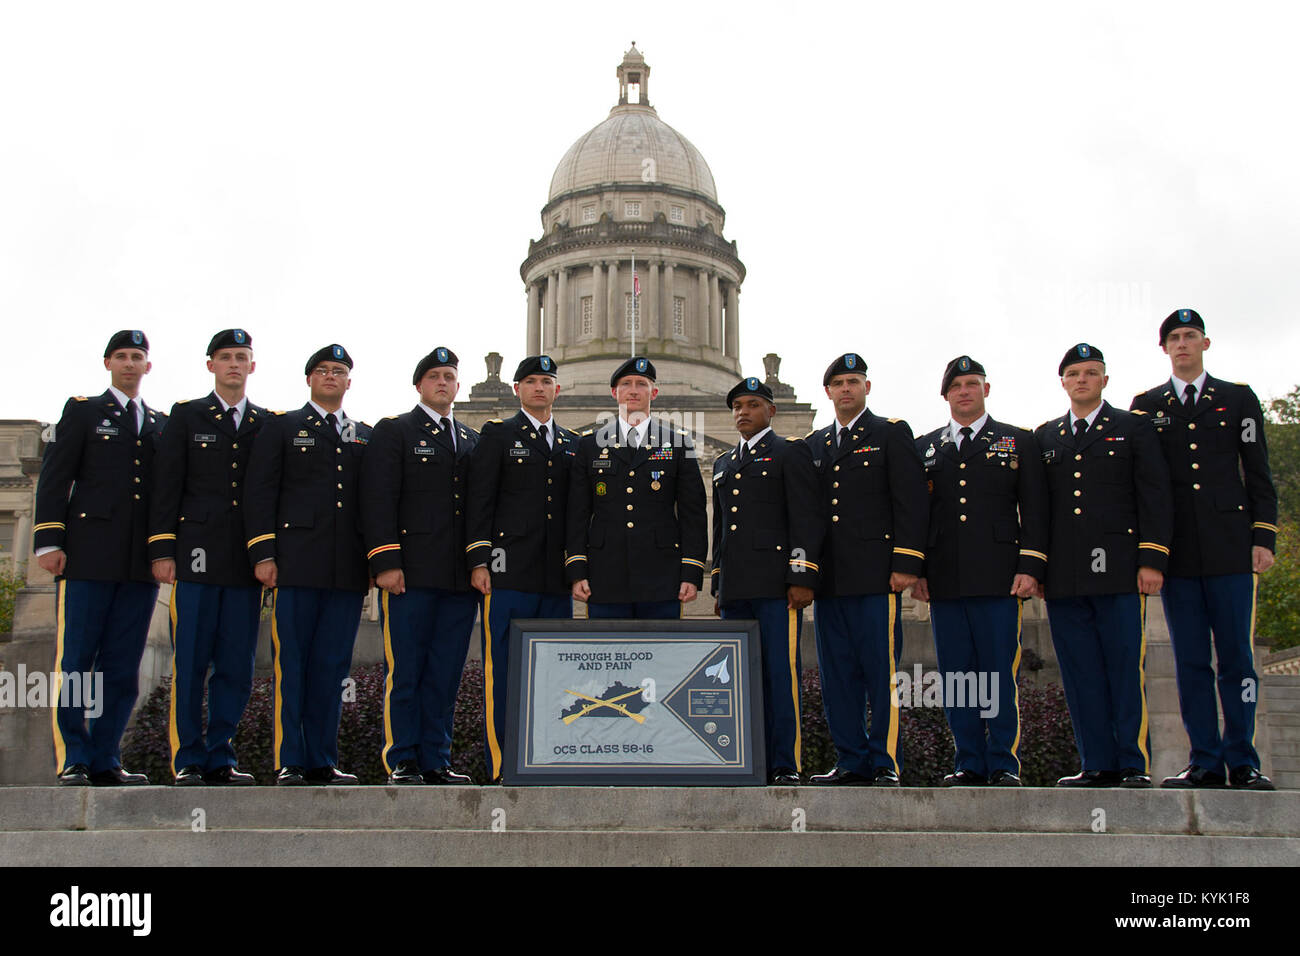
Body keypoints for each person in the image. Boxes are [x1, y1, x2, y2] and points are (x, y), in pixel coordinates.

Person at [1131, 309, 1278, 790]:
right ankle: (1205, 761)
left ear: (1205, 344)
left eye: (1190, 336)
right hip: (1178, 554)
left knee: (1237, 658)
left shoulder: (1237, 399)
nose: (1182, 344)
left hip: (1231, 549)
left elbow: (1257, 471)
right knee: (1190, 660)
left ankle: (1244, 759)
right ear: (1164, 349)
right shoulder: (1146, 406)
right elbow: (1142, 484)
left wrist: (1264, 536)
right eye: (1174, 338)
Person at [1036, 343, 1172, 788]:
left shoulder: (1132, 428)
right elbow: (1038, 512)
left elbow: (1153, 495)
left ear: (1104, 381)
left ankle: (1132, 763)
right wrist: (1037, 568)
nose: (1082, 380)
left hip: (1118, 572)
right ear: (1063, 382)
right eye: (1074, 373)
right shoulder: (1046, 436)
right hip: (1065, 577)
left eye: (1090, 373)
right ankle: (1095, 763)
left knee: (1122, 668)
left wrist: (1152, 559)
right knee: (1079, 673)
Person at [34, 330, 166, 785]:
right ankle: (74, 755)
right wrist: (49, 541)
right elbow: (55, 475)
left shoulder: (157, 422)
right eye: (122, 356)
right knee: (76, 662)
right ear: (108, 362)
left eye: (138, 358)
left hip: (137, 564)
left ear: (148, 367)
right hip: (87, 557)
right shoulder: (84, 410)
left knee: (122, 666)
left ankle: (107, 757)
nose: (130, 364)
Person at [913, 355, 1048, 787]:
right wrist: (918, 570)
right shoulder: (925, 447)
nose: (965, 391)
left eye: (972, 384)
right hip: (946, 581)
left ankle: (1004, 761)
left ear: (986, 390)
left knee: (996, 672)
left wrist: (1031, 567)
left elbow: (1036, 510)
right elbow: (917, 517)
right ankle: (968, 761)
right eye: (957, 386)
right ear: (946, 395)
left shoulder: (1017, 441)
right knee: (956, 676)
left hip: (998, 578)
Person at [244, 344, 371, 786]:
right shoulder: (282, 427)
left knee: (332, 668)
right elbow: (261, 492)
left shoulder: (363, 434)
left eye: (339, 371)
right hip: (295, 567)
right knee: (293, 665)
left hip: (345, 572)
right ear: (310, 379)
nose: (331, 377)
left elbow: (368, 506)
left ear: (349, 381)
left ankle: (323, 758)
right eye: (323, 371)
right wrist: (263, 552)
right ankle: (291, 759)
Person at [149, 328, 267, 785]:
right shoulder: (187, 416)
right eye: (226, 357)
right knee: (191, 663)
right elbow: (166, 487)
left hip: (244, 560)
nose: (234, 364)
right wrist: (163, 549)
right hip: (195, 557)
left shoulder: (264, 422)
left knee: (236, 667)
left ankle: (222, 756)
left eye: (242, 357)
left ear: (252, 366)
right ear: (211, 365)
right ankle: (187, 759)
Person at [807, 353, 928, 786]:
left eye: (853, 381)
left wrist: (907, 564)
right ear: (827, 392)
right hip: (830, 581)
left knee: (881, 674)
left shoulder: (890, 434)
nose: (845, 389)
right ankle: (850, 759)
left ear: (866, 388)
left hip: (877, 577)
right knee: (838, 677)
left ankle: (883, 762)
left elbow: (910, 502)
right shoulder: (815, 444)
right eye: (838, 383)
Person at [361, 347, 478, 785]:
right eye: (434, 377)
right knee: (407, 670)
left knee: (445, 674)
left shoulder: (470, 440)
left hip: (456, 580)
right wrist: (386, 563)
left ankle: (437, 758)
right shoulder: (396, 431)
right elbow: (379, 499)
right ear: (419, 386)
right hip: (409, 575)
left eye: (449, 376)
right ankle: (404, 758)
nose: (442, 383)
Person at [466, 354, 578, 783]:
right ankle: (503, 763)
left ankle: (549, 758)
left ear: (557, 390)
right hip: (507, 572)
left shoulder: (570, 442)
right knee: (505, 669)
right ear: (517, 390)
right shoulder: (497, 435)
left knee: (556, 671)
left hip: (554, 578)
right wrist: (479, 558)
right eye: (530, 381)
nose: (538, 388)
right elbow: (481, 501)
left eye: (546, 381)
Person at [710, 377, 824, 785]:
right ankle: (746, 759)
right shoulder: (724, 463)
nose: (744, 412)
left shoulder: (790, 453)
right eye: (738, 406)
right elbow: (722, 532)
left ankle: (784, 764)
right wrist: (719, 585)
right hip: (737, 589)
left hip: (777, 589)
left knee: (780, 674)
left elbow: (805, 518)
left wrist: (801, 575)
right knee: (738, 678)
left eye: (753, 405)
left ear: (770, 411)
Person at [566, 356, 707, 619]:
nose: (633, 390)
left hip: (662, 576)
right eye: (626, 384)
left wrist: (691, 571)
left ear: (653, 392)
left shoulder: (677, 444)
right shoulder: (589, 445)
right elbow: (577, 513)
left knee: (662, 656)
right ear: (614, 392)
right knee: (608, 656)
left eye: (641, 384)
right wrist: (577, 570)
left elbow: (693, 513)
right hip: (604, 575)